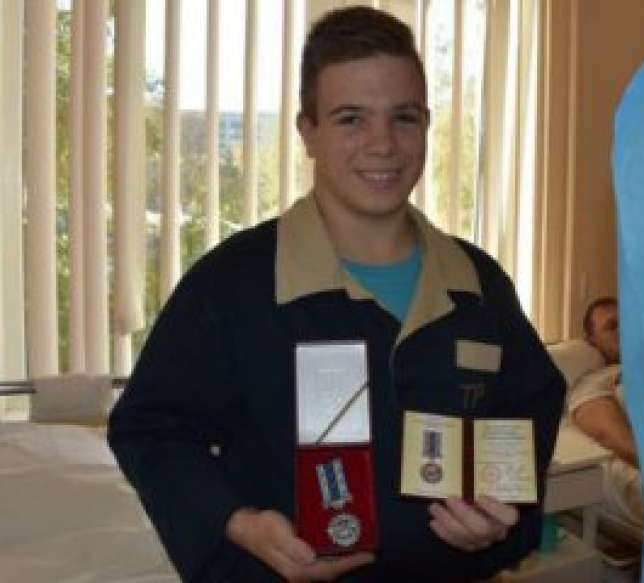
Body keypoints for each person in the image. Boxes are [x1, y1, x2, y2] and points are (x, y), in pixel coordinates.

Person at [108, 7, 564, 582]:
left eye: (404, 118)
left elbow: (529, 411)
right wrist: (239, 524)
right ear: (308, 132)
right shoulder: (232, 286)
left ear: (426, 124)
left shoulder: (479, 286)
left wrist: (502, 519)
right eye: (352, 119)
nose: (383, 144)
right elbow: (150, 428)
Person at [568, 297, 644, 529]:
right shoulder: (596, 380)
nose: (624, 330)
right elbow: (607, 433)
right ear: (592, 340)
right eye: (612, 326)